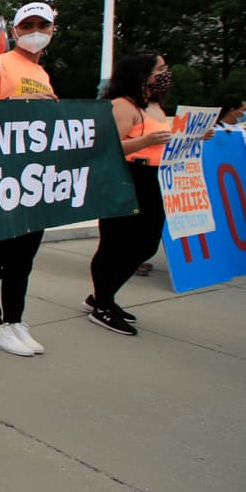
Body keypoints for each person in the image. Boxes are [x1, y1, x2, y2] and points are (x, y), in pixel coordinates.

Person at [0, 2, 58, 357]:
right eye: (28, 25)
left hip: (34, 175)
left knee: (24, 254)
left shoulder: (43, 74)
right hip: (1, 174)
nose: (35, 31)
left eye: (42, 25)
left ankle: (15, 319)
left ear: (52, 30)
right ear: (16, 30)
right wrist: (18, 103)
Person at [83, 52, 173, 335]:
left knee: (147, 243)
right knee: (116, 242)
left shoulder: (154, 106)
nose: (165, 74)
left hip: (152, 178)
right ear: (143, 74)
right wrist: (145, 141)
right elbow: (106, 147)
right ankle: (103, 303)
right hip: (127, 176)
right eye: (160, 69)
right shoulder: (123, 106)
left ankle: (103, 295)